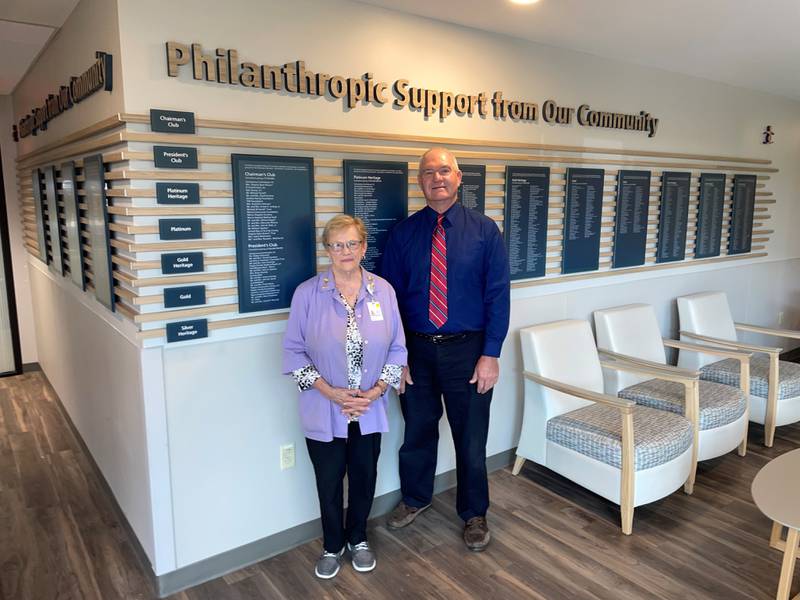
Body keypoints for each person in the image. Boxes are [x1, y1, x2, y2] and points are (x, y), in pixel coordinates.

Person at [381, 147, 510, 552]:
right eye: (427, 173)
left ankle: (474, 513)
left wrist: (491, 354)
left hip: (469, 353)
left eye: (444, 171)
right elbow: (390, 302)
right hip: (415, 351)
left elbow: (498, 297)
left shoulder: (485, 231)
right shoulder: (403, 234)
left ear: (458, 178)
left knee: (471, 438)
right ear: (419, 182)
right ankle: (416, 498)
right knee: (417, 431)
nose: (436, 178)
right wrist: (396, 357)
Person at [282, 214, 407, 579]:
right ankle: (332, 545)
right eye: (337, 245)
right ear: (327, 250)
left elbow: (398, 349)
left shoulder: (382, 290)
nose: (345, 251)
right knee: (329, 481)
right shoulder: (308, 293)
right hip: (324, 408)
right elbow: (293, 353)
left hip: (369, 407)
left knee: (365, 477)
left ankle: (359, 538)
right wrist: (332, 393)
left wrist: (375, 392)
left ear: (364, 247)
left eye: (352, 243)